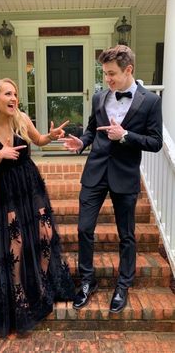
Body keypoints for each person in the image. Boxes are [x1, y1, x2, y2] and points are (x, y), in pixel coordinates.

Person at [61, 45, 163, 314]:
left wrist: (126, 136)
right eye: (105, 74)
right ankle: (87, 281)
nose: (107, 79)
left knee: (126, 235)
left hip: (125, 175)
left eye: (112, 74)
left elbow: (155, 142)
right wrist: (81, 142)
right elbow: (92, 129)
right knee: (84, 229)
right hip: (95, 172)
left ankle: (123, 285)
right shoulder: (98, 98)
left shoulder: (150, 101)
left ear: (128, 70)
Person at [0, 78, 75, 337]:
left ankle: (40, 288)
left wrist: (50, 136)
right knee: (14, 245)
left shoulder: (21, 118)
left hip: (30, 183)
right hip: (7, 188)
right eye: (8, 93)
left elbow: (38, 140)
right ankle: (19, 299)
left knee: (46, 234)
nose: (13, 98)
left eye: (15, 94)